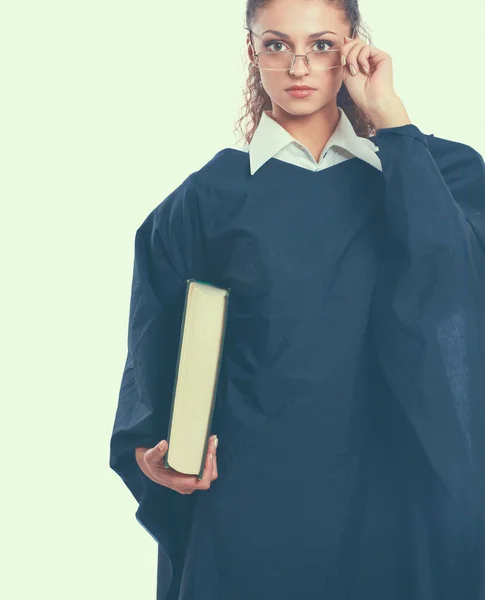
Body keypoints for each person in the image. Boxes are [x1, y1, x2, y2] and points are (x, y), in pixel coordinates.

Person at [109, 0, 485, 598]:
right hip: (252, 497)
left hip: (391, 492)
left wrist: (389, 115)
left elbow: (452, 276)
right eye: (277, 45)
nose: (300, 66)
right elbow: (157, 343)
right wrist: (153, 451)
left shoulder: (432, 171)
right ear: (253, 53)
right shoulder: (209, 197)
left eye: (323, 44)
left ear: (354, 47)